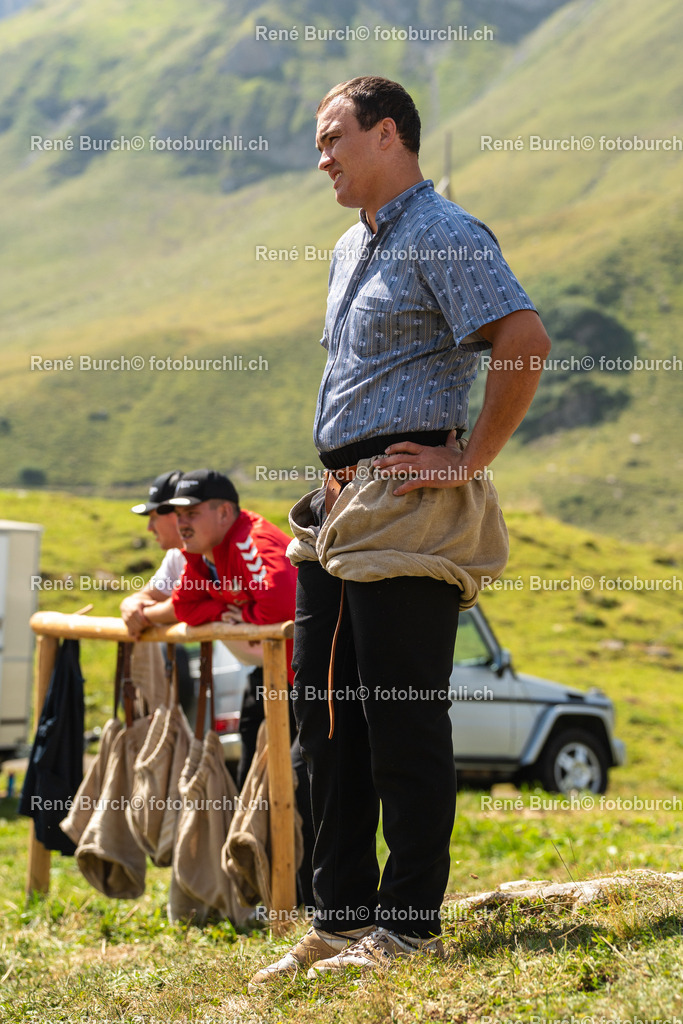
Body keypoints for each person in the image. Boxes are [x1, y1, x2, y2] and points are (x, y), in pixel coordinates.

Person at [249, 76, 551, 989]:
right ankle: (337, 920)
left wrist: (467, 461)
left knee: (401, 716)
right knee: (323, 717)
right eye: (317, 142)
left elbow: (523, 340)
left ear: (388, 133)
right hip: (336, 506)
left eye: (333, 137)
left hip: (409, 500)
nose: (322, 158)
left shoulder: (446, 231)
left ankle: (409, 925)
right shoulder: (350, 244)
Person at [168, 468, 314, 905]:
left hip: (313, 679)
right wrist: (231, 608)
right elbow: (185, 607)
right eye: (177, 514)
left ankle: (310, 903)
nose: (181, 523)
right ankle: (269, 895)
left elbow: (280, 602)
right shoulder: (203, 553)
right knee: (257, 779)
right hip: (274, 677)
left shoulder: (250, 539)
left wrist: (241, 612)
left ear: (224, 512)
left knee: (299, 785)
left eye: (191, 512)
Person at [120, 470, 185, 639]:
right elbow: (148, 595)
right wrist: (129, 603)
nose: (149, 527)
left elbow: (186, 605)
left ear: (175, 514)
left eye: (154, 517)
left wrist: (144, 615)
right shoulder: (175, 554)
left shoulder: (208, 549)